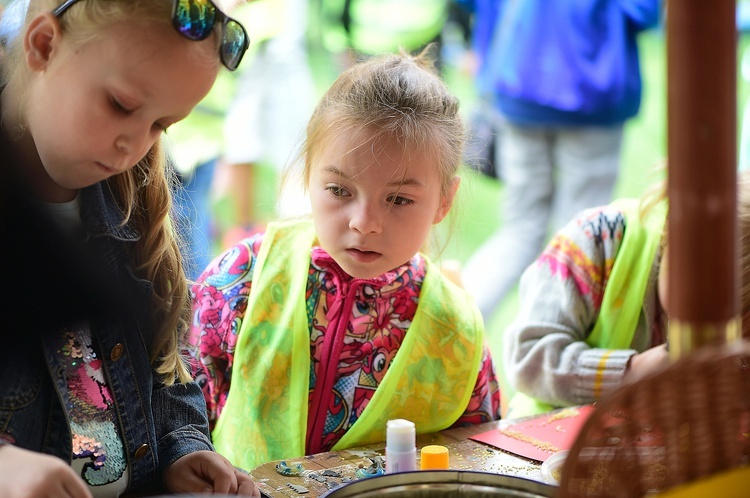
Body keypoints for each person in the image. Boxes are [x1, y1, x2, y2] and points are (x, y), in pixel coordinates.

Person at [187, 48, 502, 471]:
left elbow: (479, 457)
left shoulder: (456, 332)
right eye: (339, 190)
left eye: (399, 199)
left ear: (444, 200)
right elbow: (180, 418)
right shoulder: (241, 280)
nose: (365, 223)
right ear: (308, 173)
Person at [0, 0, 259, 496]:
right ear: (43, 45)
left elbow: (165, 359)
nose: (135, 147)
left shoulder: (131, 198)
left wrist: (182, 447)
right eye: (120, 105)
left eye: (162, 125)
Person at [460, 0, 662, 324]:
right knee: (581, 240)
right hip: (590, 91)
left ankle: (450, 332)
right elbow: (644, 11)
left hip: (519, 76)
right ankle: (551, 350)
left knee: (520, 229)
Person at [503, 170, 750, 418]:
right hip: (541, 440)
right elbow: (527, 358)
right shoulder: (596, 241)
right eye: (694, 308)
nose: (699, 329)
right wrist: (631, 372)